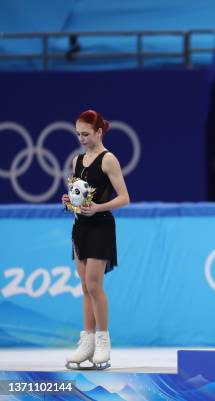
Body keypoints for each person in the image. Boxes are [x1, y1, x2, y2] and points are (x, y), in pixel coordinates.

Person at [63, 109, 130, 369]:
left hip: (101, 226)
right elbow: (80, 198)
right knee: (83, 286)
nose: (81, 138)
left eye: (86, 134)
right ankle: (87, 342)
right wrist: (70, 201)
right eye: (78, 134)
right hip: (80, 227)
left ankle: (103, 342)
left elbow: (124, 197)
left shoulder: (108, 159)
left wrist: (98, 208)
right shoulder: (76, 161)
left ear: (99, 132)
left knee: (94, 285)